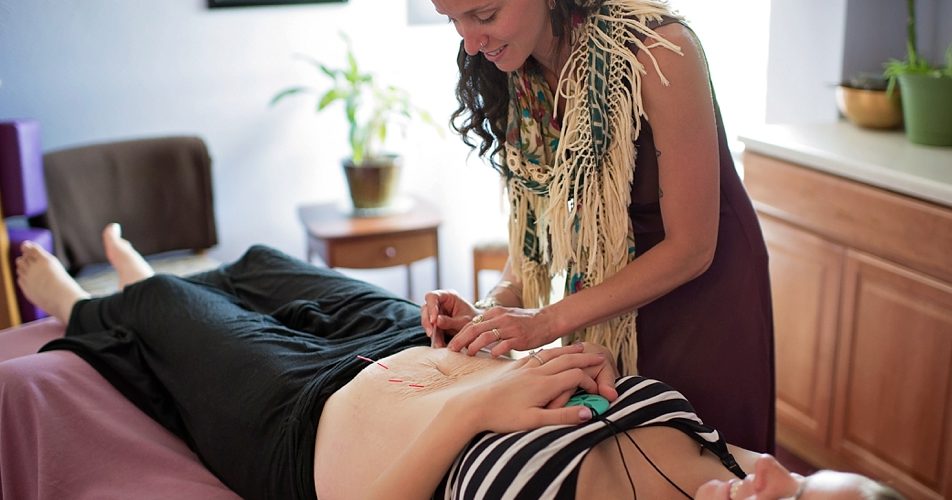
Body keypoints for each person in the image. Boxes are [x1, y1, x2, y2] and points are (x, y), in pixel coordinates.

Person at [8, 226, 900, 500]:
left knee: (165, 311)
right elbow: (552, 386)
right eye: (820, 485)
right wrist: (498, 334)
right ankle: (131, 274)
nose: (777, 471)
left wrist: (472, 409)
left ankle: (87, 296)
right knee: (263, 263)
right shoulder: (723, 460)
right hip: (421, 345)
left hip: (306, 427)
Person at [421, 0, 775, 453]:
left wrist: (547, 321)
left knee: (704, 463)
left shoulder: (660, 52)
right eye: (453, 20)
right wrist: (490, 311)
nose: (470, 43)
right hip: (606, 296)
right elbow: (544, 233)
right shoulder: (521, 68)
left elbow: (692, 248)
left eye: (485, 15)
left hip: (702, 297)